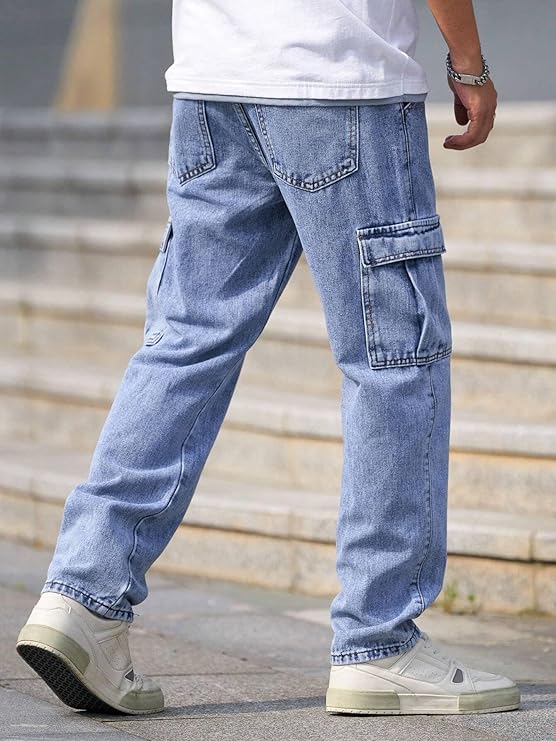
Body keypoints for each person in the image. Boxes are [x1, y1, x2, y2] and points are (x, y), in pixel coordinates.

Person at [16, 0, 519, 717]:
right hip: (339, 77)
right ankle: (379, 640)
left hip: (214, 77)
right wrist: (469, 63)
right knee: (393, 358)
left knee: (187, 341)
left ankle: (83, 593)